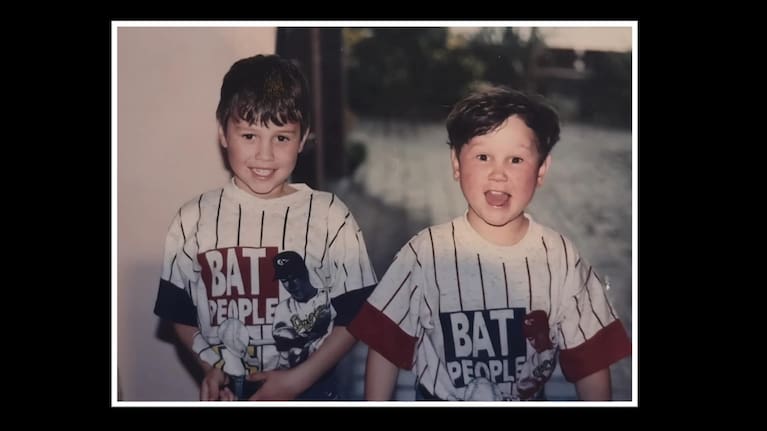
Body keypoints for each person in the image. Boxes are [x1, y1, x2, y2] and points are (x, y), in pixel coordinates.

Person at [348, 85, 631, 401]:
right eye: (483, 157)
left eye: (516, 160)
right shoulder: (426, 254)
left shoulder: (561, 259)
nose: (499, 174)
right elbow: (384, 347)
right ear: (457, 164)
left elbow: (592, 360)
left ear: (541, 170)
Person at [153, 54, 377, 401]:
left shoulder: (331, 217)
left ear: (303, 139)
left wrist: (297, 381)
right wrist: (210, 364)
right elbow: (179, 313)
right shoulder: (192, 220)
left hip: (312, 390)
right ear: (223, 133)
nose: (265, 155)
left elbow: (357, 317)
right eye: (249, 135)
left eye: (281, 138)